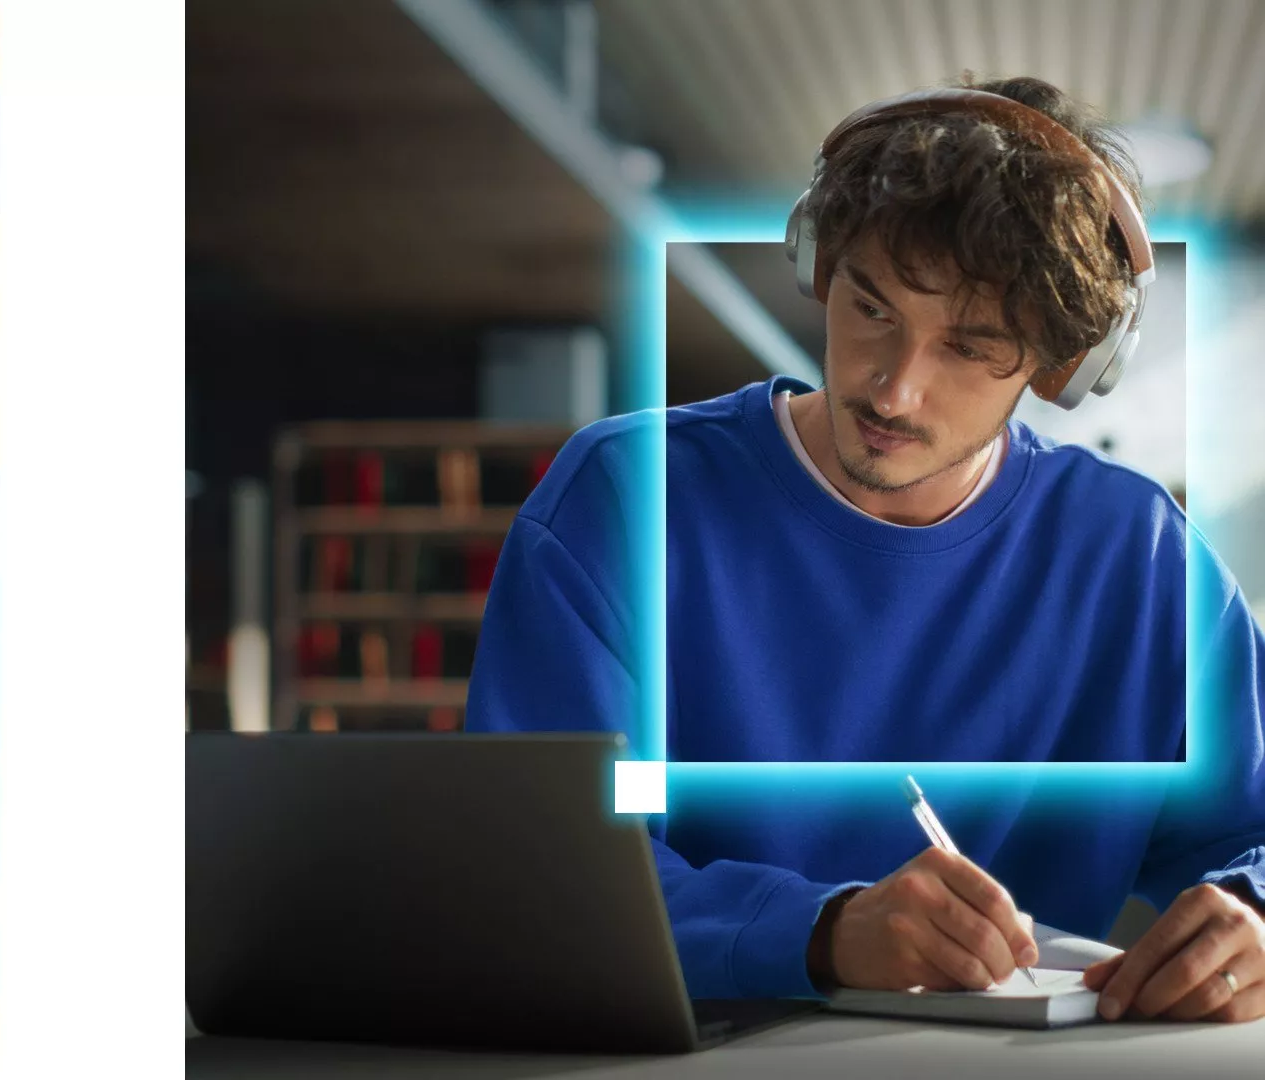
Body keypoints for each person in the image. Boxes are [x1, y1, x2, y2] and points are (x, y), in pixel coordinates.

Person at [466, 76, 1265, 1023]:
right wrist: (821, 933)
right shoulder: (623, 500)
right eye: (873, 307)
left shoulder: (1139, 561)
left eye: (969, 346)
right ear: (820, 263)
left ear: (1061, 366)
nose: (894, 390)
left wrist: (1254, 915)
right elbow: (537, 877)